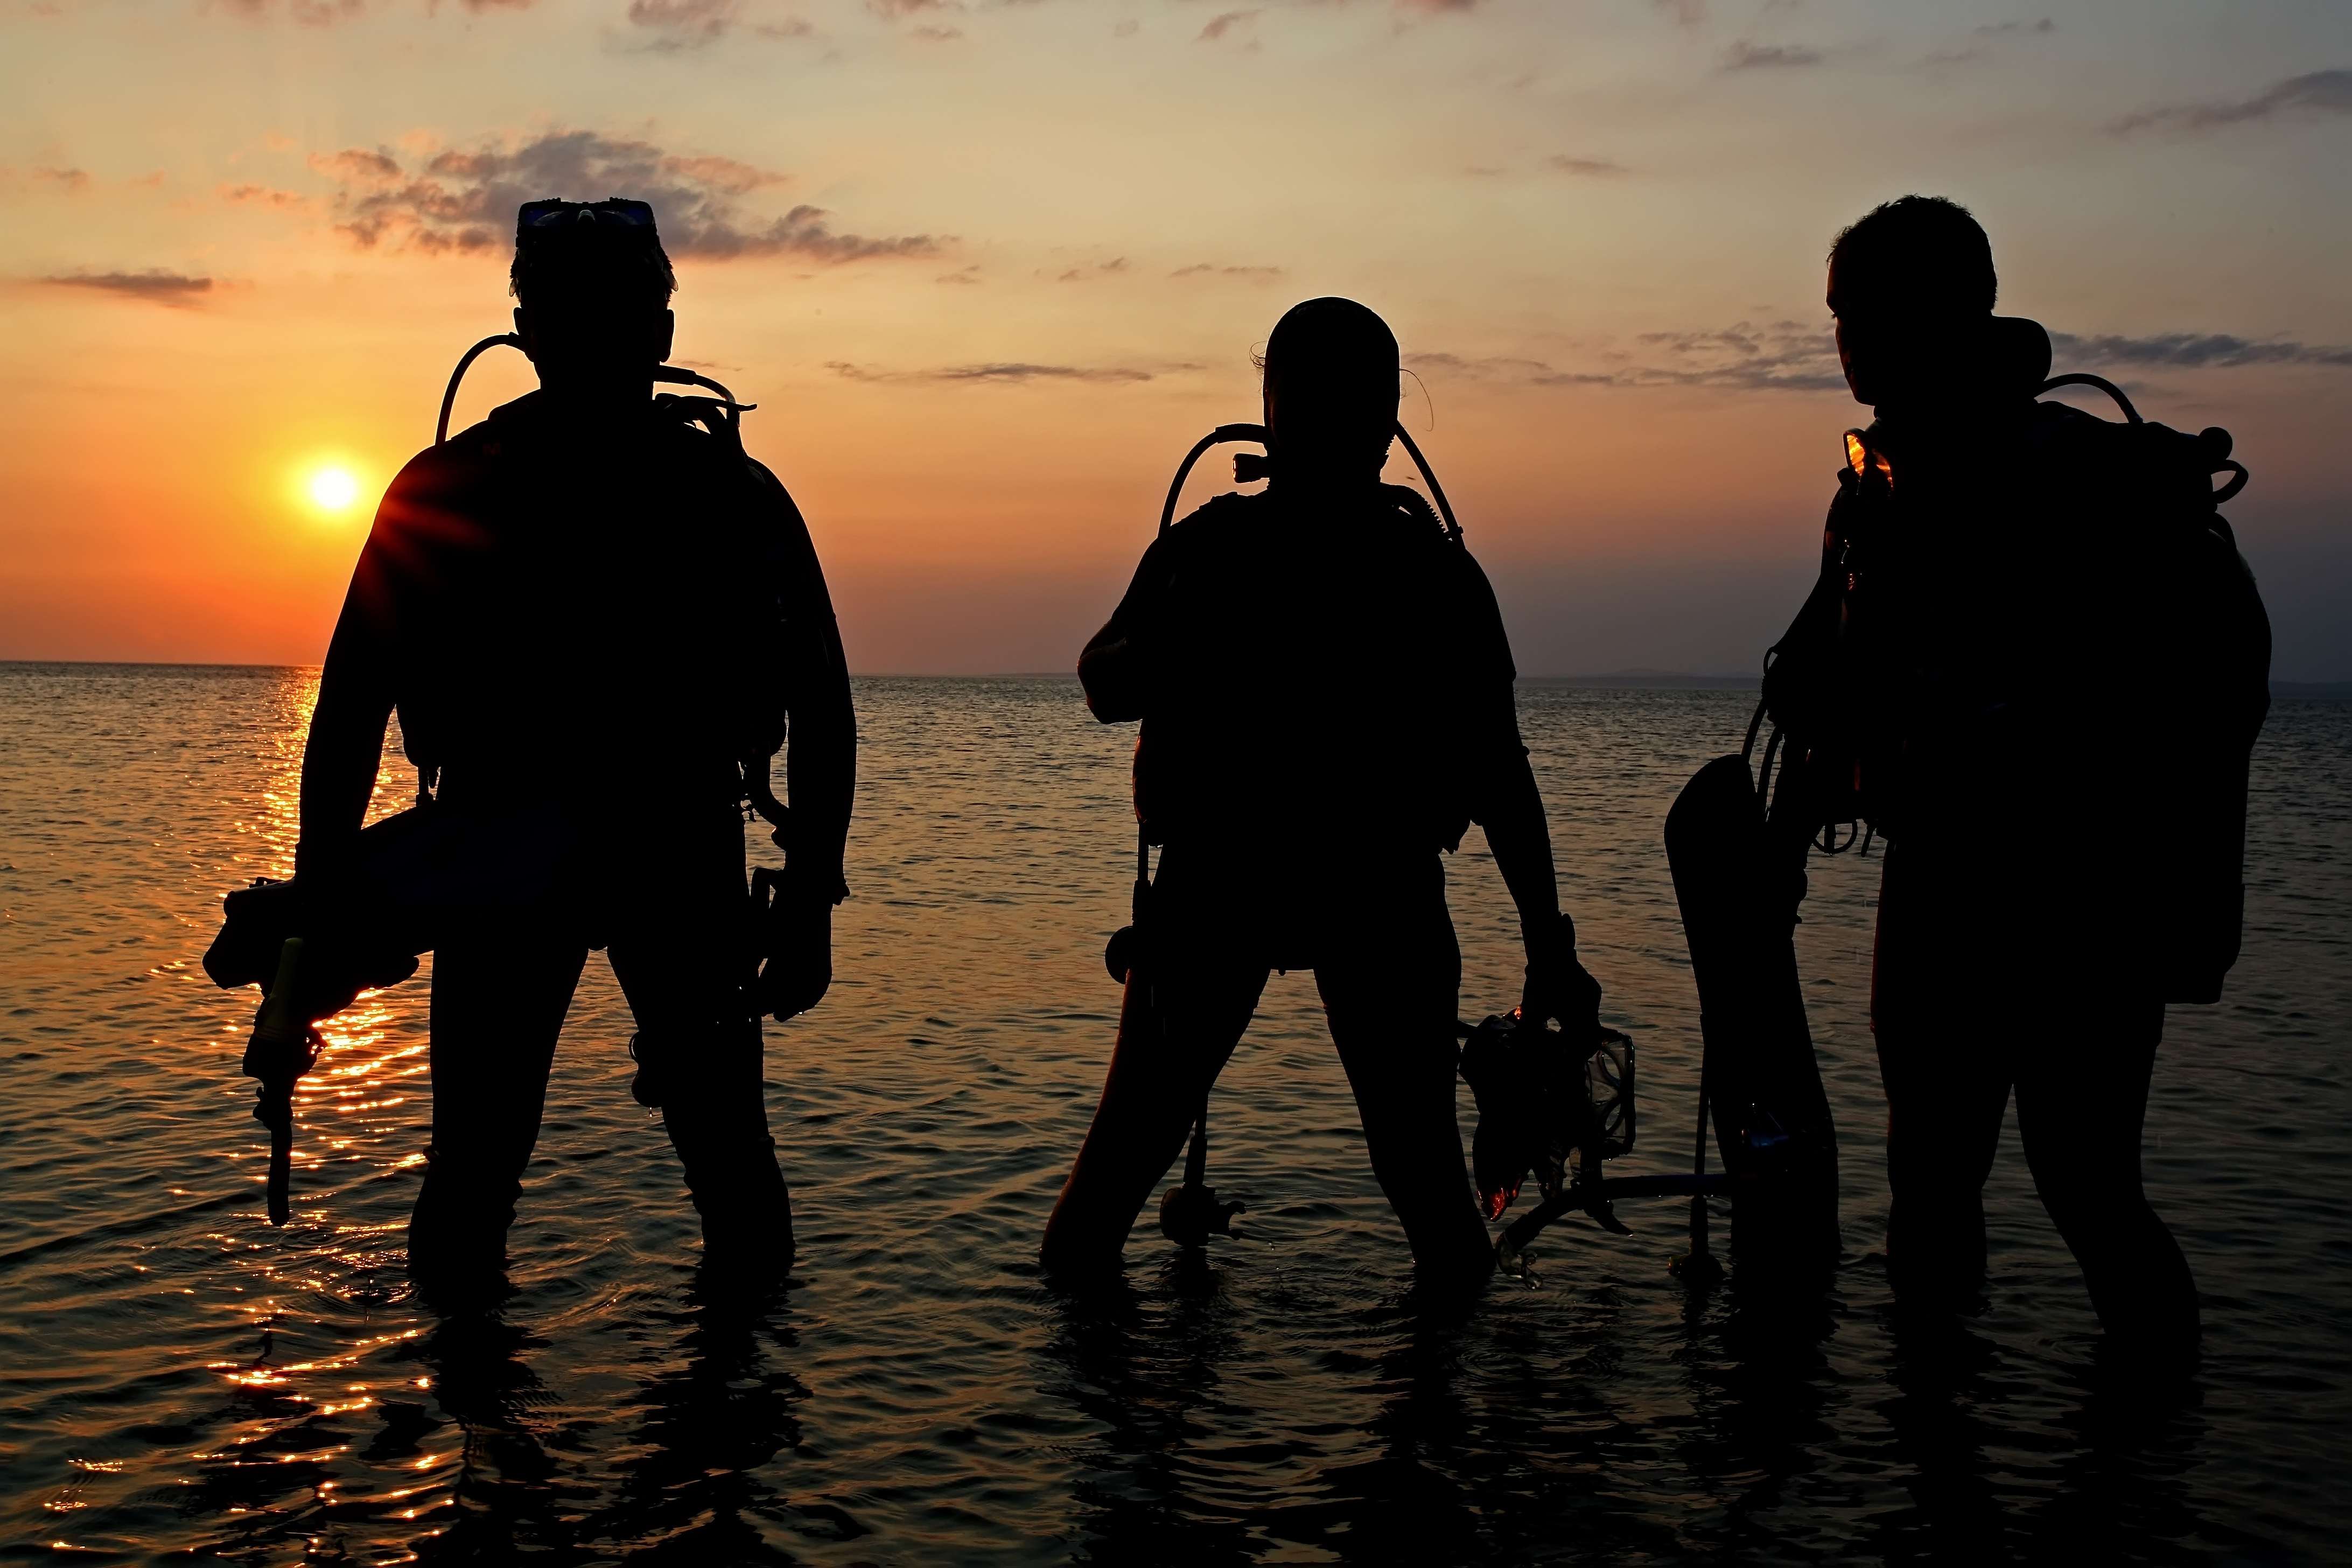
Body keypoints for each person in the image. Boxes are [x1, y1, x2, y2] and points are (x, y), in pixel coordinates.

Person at [296, 198, 855, 1275]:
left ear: (656, 332)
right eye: (577, 307)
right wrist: (319, 907)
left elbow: (824, 707)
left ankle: (490, 1403)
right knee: (549, 1164)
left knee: (543, 1167)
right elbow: (353, 703)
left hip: (647, 848)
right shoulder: (462, 487)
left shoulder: (717, 497)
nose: (601, 332)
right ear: (532, 326)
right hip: (552, 851)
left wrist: (813, 904)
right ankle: (722, 1415)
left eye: (620, 307)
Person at [1767, 195, 2263, 1358]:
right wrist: (1781, 859)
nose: (1844, 342)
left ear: (1947, 311)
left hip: (2081, 899)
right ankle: (1944, 1476)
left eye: (1863, 314)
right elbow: (1828, 688)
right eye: (1838, 316)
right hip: (1942, 879)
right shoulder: (1877, 491)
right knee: (1934, 1188)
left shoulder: (2079, 483)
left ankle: (2139, 1455)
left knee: (2081, 1183)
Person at [1038, 297, 1605, 1285]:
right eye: (1308, 405)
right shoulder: (1213, 553)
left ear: (1385, 421)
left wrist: (1550, 946)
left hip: (1374, 893)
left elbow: (1500, 771)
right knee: (1110, 1197)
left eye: (1349, 407)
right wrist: (1198, 634)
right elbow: (1102, 681)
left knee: (1424, 1187)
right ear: (1271, 412)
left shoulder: (1432, 576)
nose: (1328, 429)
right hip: (1223, 890)